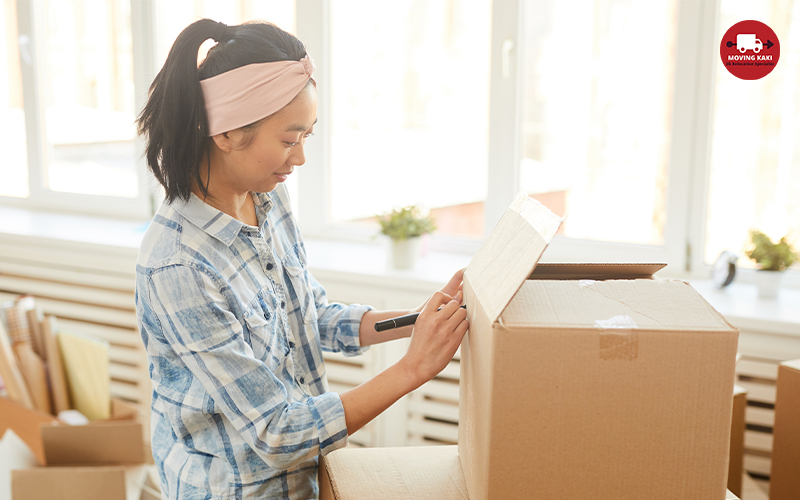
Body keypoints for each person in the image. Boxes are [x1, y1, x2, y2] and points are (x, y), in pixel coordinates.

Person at [134, 19, 468, 500]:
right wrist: (411, 369)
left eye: (307, 136)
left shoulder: (268, 198)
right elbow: (276, 431)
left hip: (304, 478)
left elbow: (309, 317)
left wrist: (421, 320)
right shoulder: (178, 266)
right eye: (290, 140)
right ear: (227, 132)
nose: (301, 158)